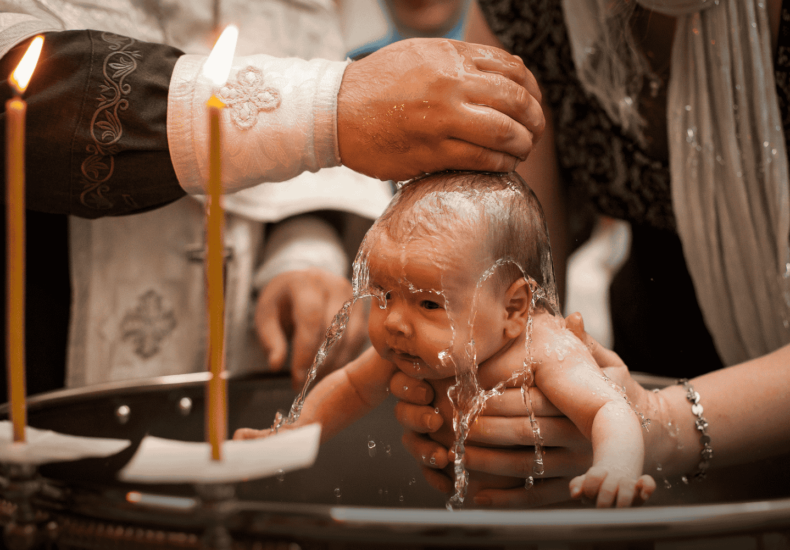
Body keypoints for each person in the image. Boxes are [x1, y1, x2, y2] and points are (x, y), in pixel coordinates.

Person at [0, 1, 544, 395]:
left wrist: (303, 253)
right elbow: (27, 102)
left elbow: (302, 169)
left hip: (247, 365)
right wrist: (332, 107)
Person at [391, 0, 790, 507]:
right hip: (654, 338)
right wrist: (476, 394)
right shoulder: (524, 12)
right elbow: (500, 287)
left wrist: (664, 426)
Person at [235, 170, 657, 508]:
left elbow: (609, 407)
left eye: (429, 304)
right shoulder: (408, 347)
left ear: (513, 309)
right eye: (383, 295)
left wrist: (616, 468)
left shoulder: (545, 349)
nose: (396, 322)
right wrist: (291, 432)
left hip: (564, 520)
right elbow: (348, 388)